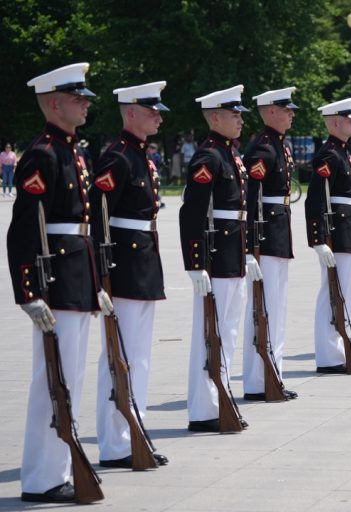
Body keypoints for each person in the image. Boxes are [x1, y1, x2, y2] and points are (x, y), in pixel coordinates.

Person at [8, 62, 112, 503]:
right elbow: (23, 230)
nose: (85, 104)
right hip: (56, 281)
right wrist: (28, 293)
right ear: (54, 103)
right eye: (77, 98)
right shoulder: (43, 154)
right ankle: (41, 477)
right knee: (52, 378)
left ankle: (57, 469)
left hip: (75, 277)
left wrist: (97, 283)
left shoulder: (71, 150)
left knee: (69, 376)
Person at [89, 81, 169, 468]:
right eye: (151, 109)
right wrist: (101, 274)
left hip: (142, 264)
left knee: (138, 357)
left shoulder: (140, 156)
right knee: (119, 357)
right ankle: (115, 443)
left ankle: (132, 431)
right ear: (131, 112)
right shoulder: (118, 158)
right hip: (122, 268)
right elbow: (99, 221)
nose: (158, 115)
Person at [179, 85, 255, 432]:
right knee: (211, 332)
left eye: (240, 114)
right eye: (233, 114)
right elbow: (192, 212)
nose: (240, 120)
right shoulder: (209, 157)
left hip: (232, 254)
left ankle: (217, 399)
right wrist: (195, 264)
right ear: (214, 117)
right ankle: (203, 408)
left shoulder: (228, 153)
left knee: (229, 330)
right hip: (216, 256)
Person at [242, 86, 299, 400]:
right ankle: (257, 380)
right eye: (286, 109)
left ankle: (272, 374)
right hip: (265, 237)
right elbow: (251, 200)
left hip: (277, 234)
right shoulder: (263, 148)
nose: (291, 114)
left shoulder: (278, 145)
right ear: (271, 111)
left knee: (276, 309)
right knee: (263, 310)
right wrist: (250, 247)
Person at [305, 97, 351, 372]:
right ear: (336, 122)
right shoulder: (329, 154)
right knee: (333, 293)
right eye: (349, 119)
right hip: (337, 231)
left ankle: (338, 349)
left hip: (348, 229)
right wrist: (318, 239)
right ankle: (329, 356)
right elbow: (316, 198)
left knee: (343, 293)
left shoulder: (341, 151)